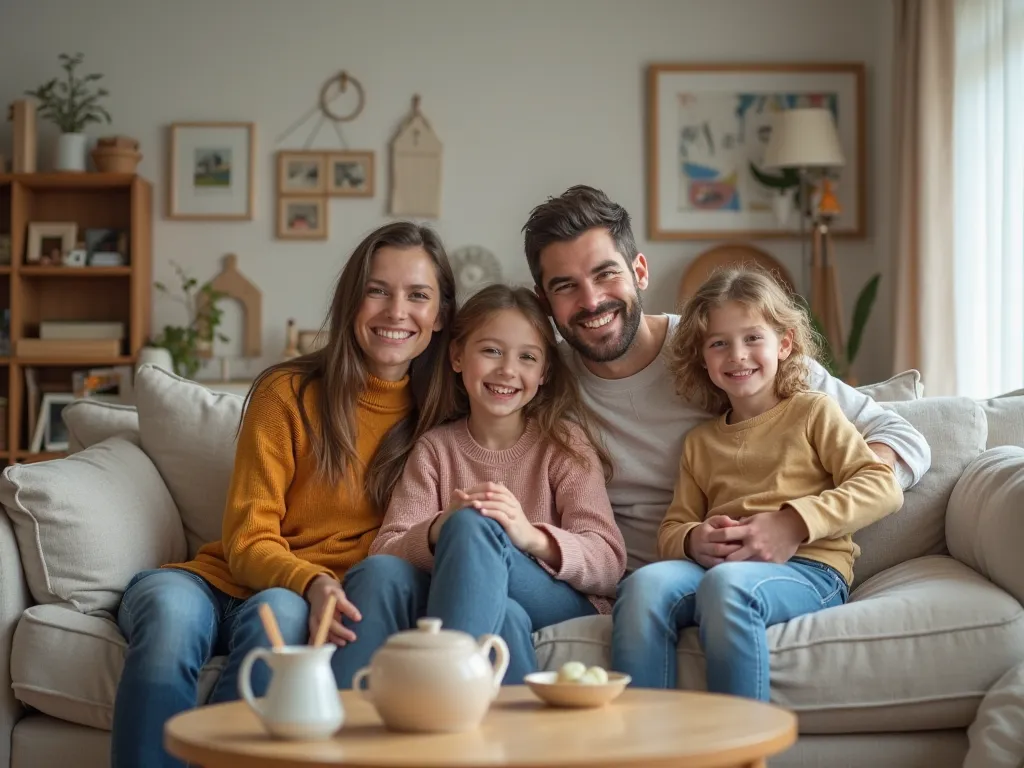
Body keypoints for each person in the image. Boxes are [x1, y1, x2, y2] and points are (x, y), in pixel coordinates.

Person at [110, 221, 457, 768]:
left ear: (439, 317)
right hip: (214, 582)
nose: (396, 311)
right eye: (377, 290)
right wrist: (313, 579)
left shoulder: (444, 423)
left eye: (418, 295)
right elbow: (247, 538)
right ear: (351, 302)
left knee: (282, 617)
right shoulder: (287, 393)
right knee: (171, 617)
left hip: (290, 601)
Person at [521, 184, 930, 573]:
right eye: (566, 286)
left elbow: (901, 437)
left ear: (639, 271)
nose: (591, 301)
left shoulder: (723, 348)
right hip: (633, 583)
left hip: (752, 572)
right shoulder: (540, 379)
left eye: (605, 273)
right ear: (544, 300)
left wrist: (799, 519)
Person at [613, 266, 905, 697]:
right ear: (702, 357)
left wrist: (792, 523)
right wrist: (694, 540)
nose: (737, 355)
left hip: (809, 571)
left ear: (784, 343)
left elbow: (882, 486)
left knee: (726, 586)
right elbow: (673, 528)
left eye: (753, 338)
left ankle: (743, 755)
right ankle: (645, 749)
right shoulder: (700, 442)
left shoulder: (813, 412)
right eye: (719, 343)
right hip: (718, 571)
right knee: (641, 586)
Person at [334, 284, 627, 686]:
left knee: (474, 525)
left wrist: (530, 537)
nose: (508, 369)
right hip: (472, 594)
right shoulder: (436, 448)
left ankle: (443, 696)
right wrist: (439, 528)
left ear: (542, 374)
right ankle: (347, 728)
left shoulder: (563, 445)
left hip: (558, 599)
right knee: (378, 573)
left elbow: (609, 562)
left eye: (526, 357)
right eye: (491, 351)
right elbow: (386, 548)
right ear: (457, 356)